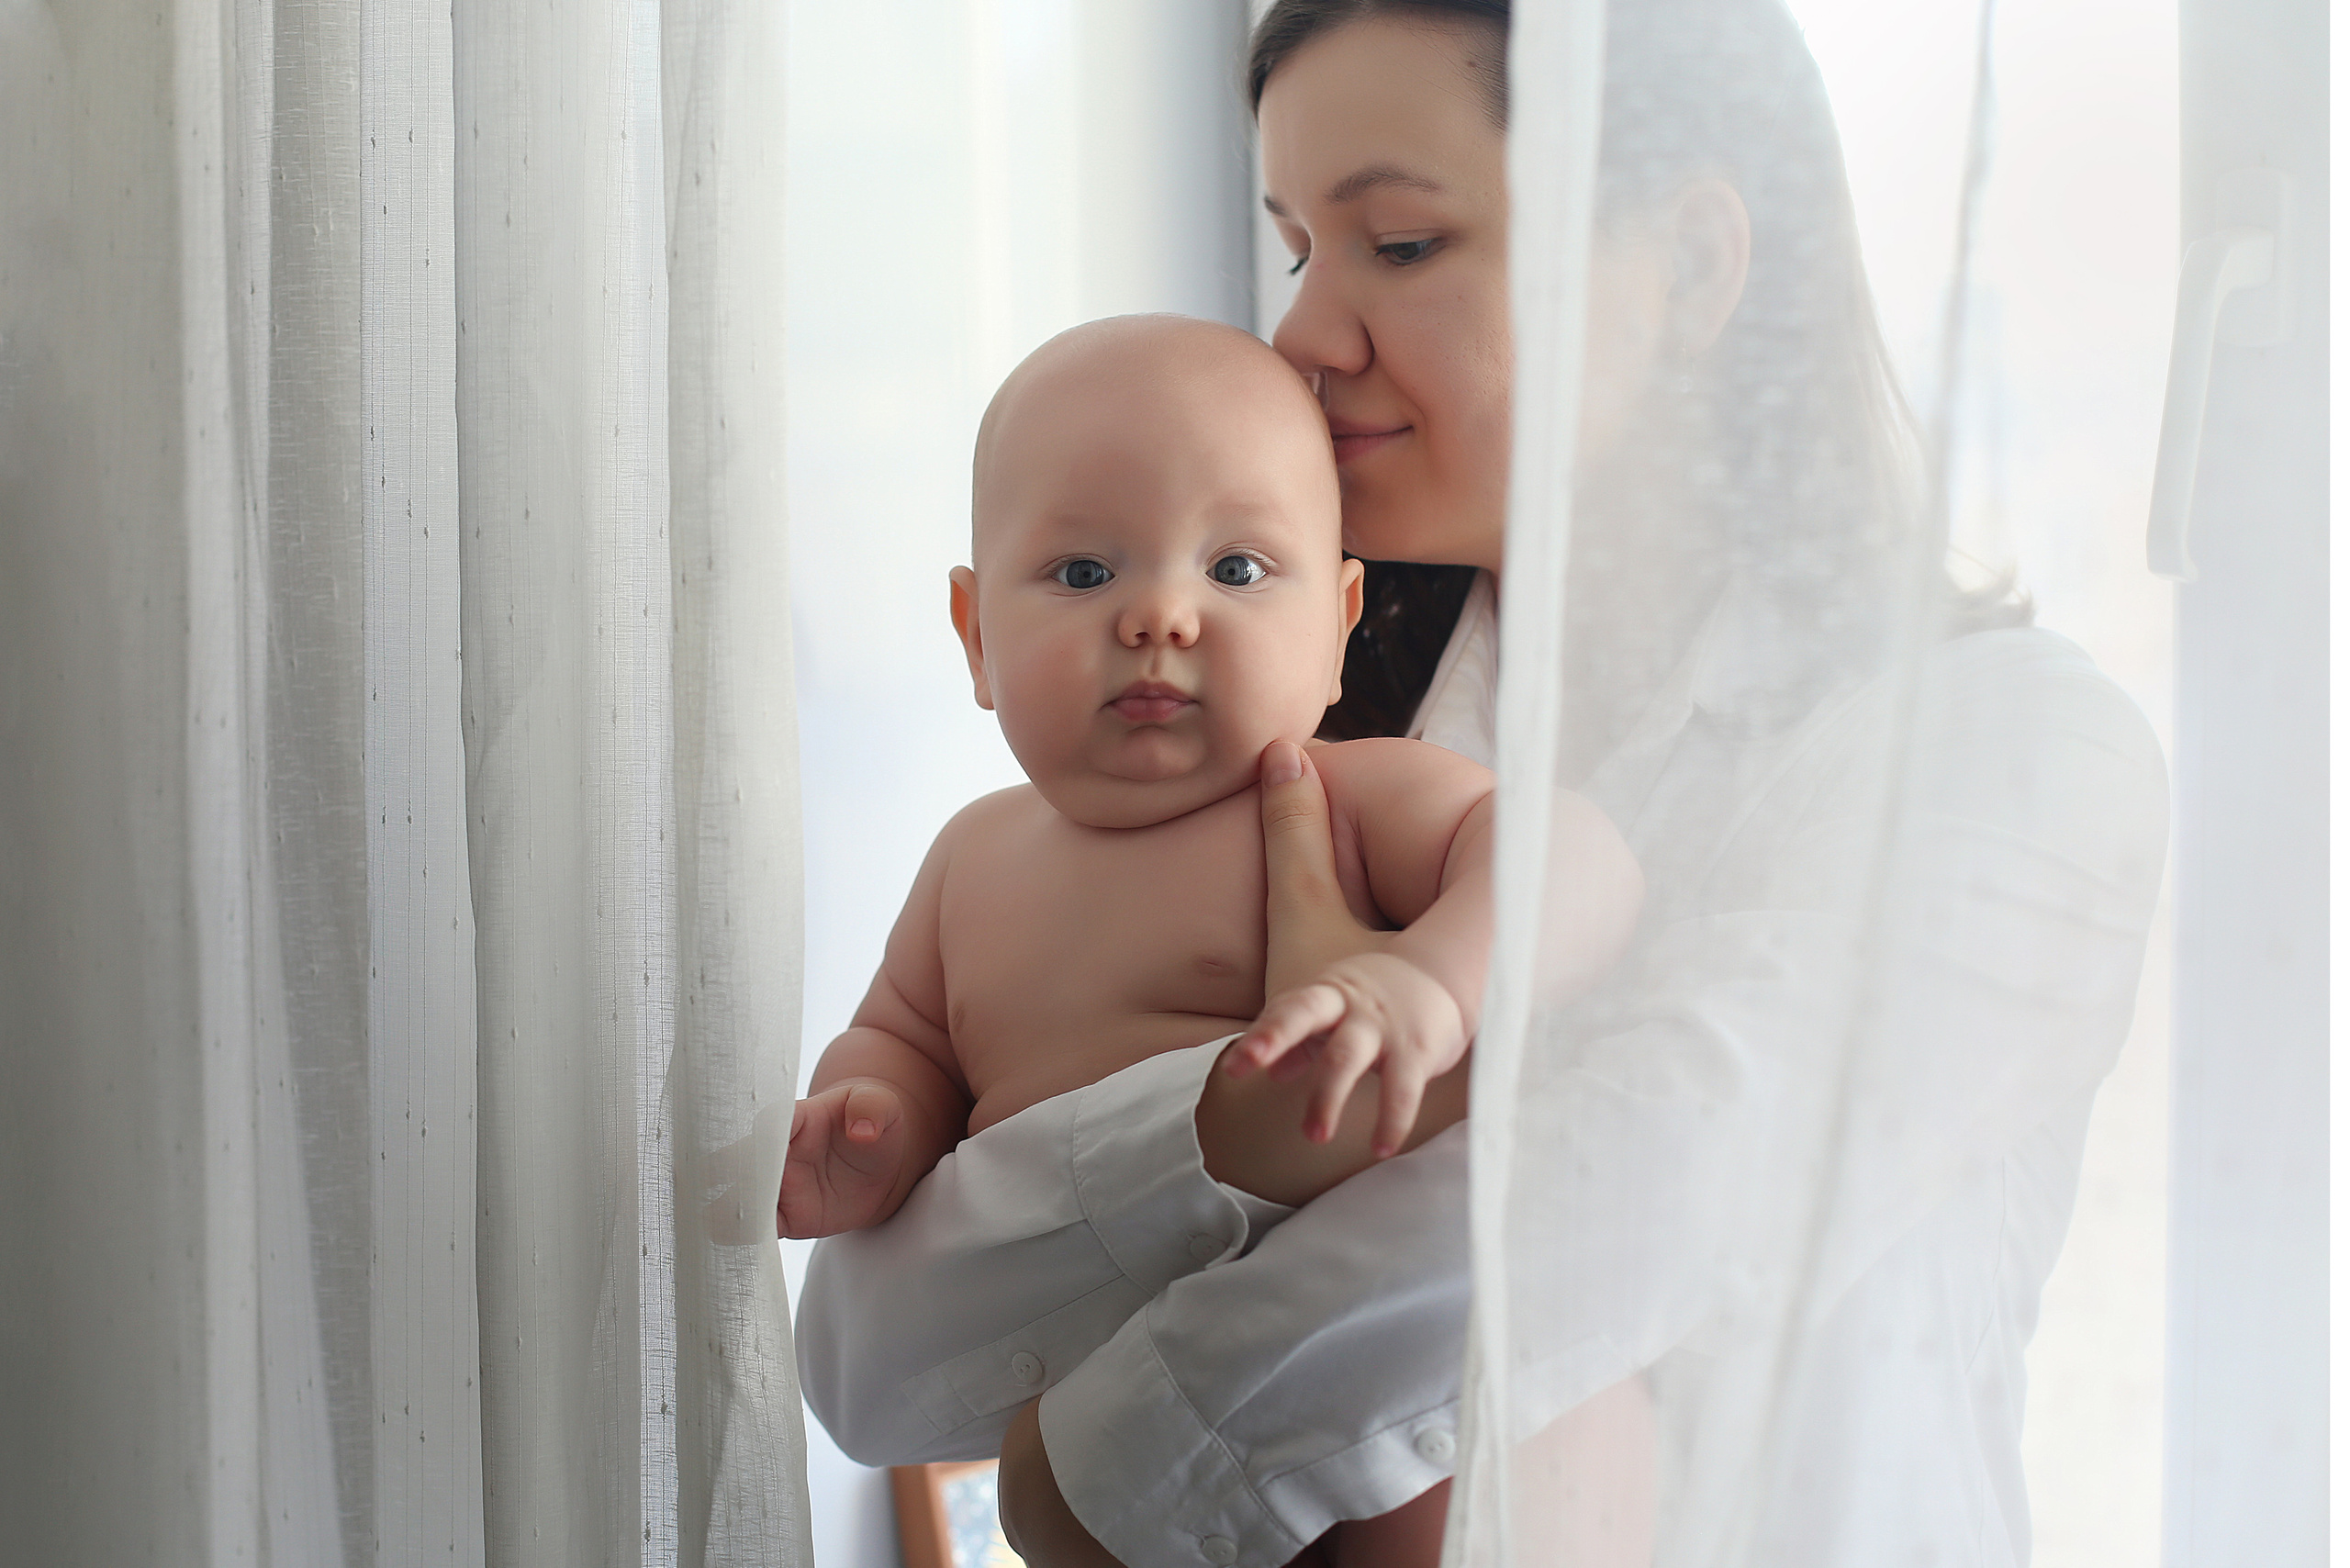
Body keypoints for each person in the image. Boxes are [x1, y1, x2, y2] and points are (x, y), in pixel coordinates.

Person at [797, 4, 2169, 1565]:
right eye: (1298, 245)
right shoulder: (1274, 763)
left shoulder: (2003, 755)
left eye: (1398, 243)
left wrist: (1089, 1470)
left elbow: (1615, 1217)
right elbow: (868, 1351)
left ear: (1696, 266)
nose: (1307, 329)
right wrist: (1214, 1120)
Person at [778, 313, 1640, 1243]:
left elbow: (1576, 857)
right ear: (977, 636)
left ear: (1337, 628)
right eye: (1082, 571)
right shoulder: (968, 859)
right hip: (1050, 1350)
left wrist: (1428, 984)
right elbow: (903, 1043)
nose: (1158, 617)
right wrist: (868, 1126)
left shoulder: (1343, 800)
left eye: (1235, 567)